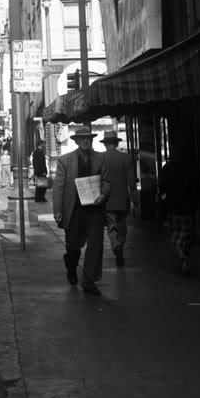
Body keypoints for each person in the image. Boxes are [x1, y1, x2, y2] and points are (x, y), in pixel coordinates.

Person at [52, 125, 110, 295]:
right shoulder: (65, 160)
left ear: (91, 140)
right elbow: (58, 188)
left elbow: (107, 181)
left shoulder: (100, 158)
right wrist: (58, 210)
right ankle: (71, 266)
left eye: (88, 138)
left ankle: (89, 282)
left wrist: (104, 195)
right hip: (74, 210)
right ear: (76, 141)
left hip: (94, 210)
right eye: (82, 138)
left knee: (95, 245)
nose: (86, 141)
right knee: (73, 247)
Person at [159, 133, 200, 277]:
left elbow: (162, 189)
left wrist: (162, 208)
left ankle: (181, 255)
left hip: (173, 206)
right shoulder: (194, 167)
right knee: (187, 235)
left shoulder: (168, 167)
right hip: (189, 207)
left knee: (175, 235)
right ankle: (185, 255)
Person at [100, 130, 135, 267]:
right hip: (122, 199)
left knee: (111, 226)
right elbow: (131, 181)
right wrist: (135, 199)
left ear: (105, 144)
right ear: (116, 143)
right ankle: (120, 244)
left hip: (107, 199)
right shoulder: (125, 158)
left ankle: (115, 245)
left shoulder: (100, 158)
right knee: (122, 226)